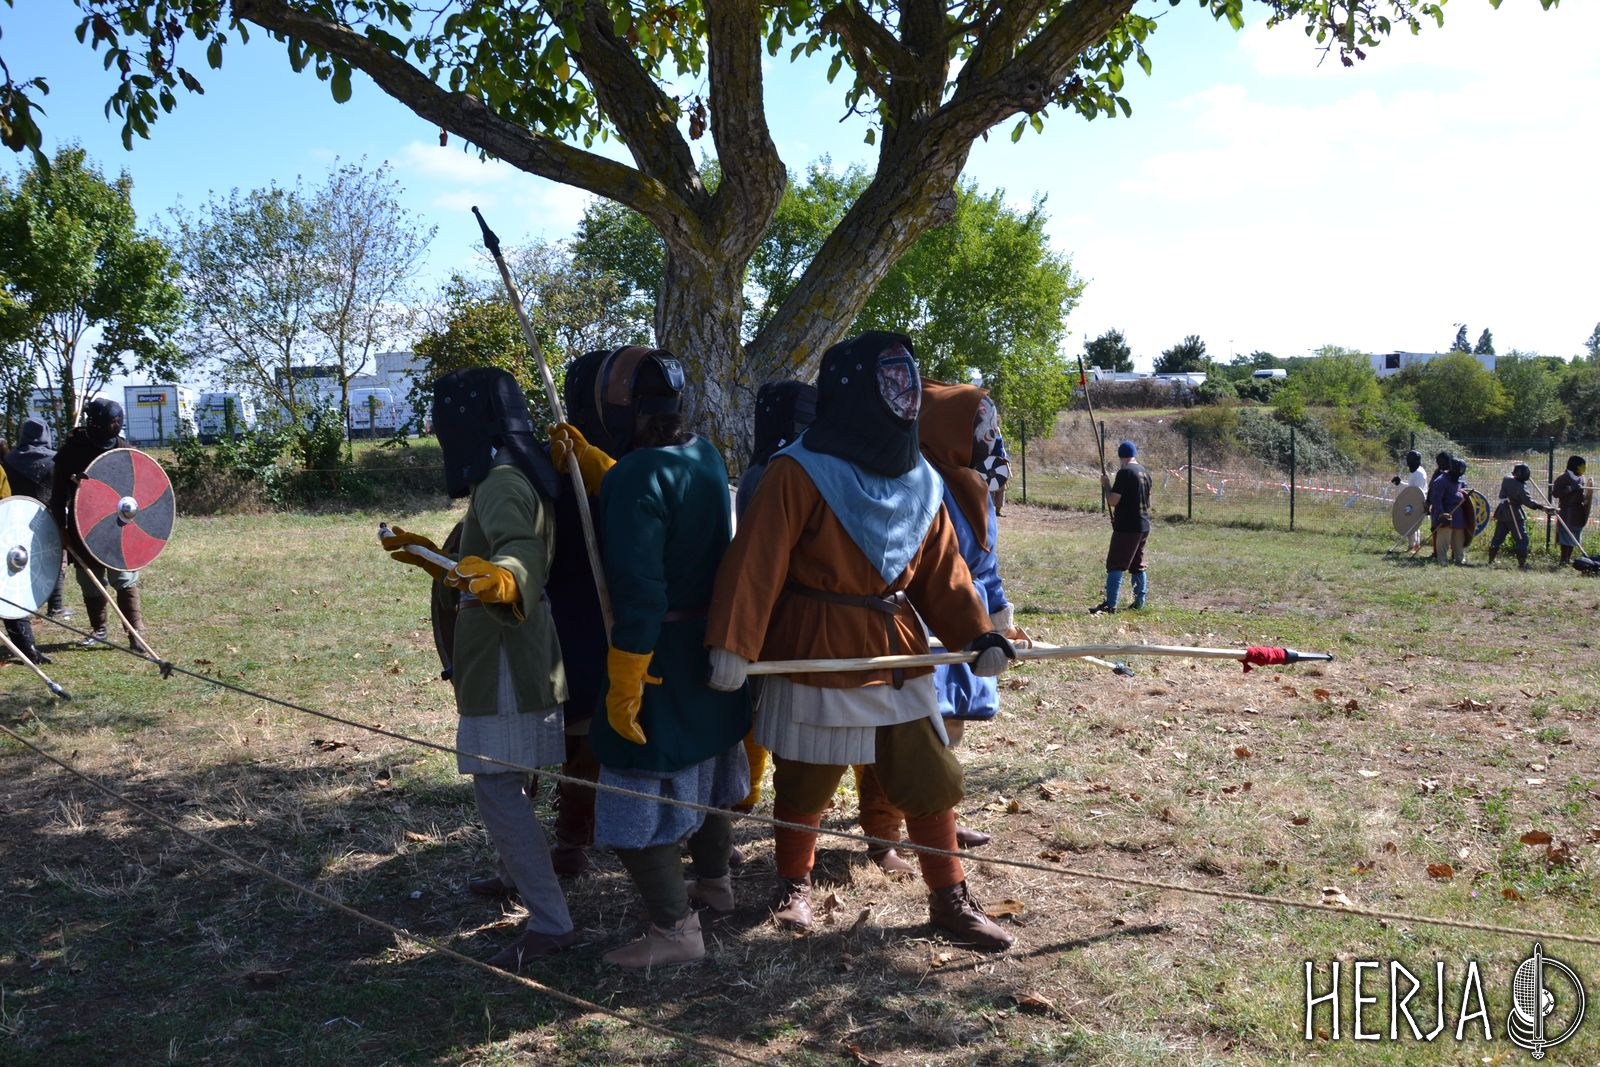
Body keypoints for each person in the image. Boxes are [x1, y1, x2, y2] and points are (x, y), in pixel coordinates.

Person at [706, 331, 1018, 952]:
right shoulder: (798, 471)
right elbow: (757, 563)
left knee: (929, 777)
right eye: (892, 382)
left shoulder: (922, 480)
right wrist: (734, 644)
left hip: (896, 646)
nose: (907, 397)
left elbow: (943, 571)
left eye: (909, 381)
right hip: (817, 644)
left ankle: (950, 897)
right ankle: (793, 885)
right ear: (856, 393)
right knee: (806, 779)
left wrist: (977, 631)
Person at [550, 346, 751, 969]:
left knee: (633, 796)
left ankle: (676, 929)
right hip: (708, 648)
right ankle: (715, 884)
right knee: (710, 765)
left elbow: (640, 593)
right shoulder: (705, 453)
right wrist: (600, 468)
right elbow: (665, 496)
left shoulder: (636, 475)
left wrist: (626, 675)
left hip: (657, 654)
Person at [381, 367, 577, 972]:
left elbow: (519, 553)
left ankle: (552, 921)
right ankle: (513, 875)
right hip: (503, 649)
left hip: (508, 654)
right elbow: (481, 564)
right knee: (511, 777)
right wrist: (431, 557)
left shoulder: (504, 481)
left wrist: (505, 577)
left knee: (497, 787)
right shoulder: (509, 474)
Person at [854, 379, 1025, 868]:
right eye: (981, 430)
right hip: (914, 623)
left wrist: (1000, 624)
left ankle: (939, 819)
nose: (991, 442)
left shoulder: (974, 487)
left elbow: (985, 567)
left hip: (963, 623)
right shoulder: (904, 481)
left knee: (949, 728)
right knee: (901, 734)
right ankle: (884, 835)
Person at [51, 399, 143, 648]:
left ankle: (135, 634)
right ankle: (99, 629)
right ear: (96, 423)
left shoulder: (123, 449)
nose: (115, 425)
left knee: (124, 578)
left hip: (117, 525)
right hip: (84, 525)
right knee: (90, 579)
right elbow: (57, 497)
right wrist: (62, 529)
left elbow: (138, 486)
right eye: (111, 421)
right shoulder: (72, 451)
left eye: (118, 420)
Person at [2, 417, 69, 617]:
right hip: (46, 517)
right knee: (55, 558)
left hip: (16, 519)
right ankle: (55, 606)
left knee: (17, 558)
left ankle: (20, 605)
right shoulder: (55, 460)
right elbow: (63, 492)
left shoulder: (9, 460)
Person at [1090, 440, 1152, 614]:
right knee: (1137, 564)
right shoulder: (1144, 472)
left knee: (1115, 565)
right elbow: (1147, 501)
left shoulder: (1125, 472)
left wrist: (1106, 484)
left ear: (1121, 456)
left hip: (1127, 528)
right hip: (1143, 525)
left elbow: (1112, 500)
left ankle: (1111, 605)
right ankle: (1139, 603)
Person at [1487, 463, 1549, 570]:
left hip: (1502, 511)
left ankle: (1490, 561)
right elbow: (1528, 502)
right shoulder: (1520, 486)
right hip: (1513, 513)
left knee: (1498, 538)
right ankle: (1522, 564)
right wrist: (1542, 507)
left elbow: (1510, 475)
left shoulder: (1506, 479)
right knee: (1522, 539)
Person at [1551, 455, 1591, 566]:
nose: (1583, 468)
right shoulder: (1563, 478)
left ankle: (1568, 559)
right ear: (1575, 466)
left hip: (1578, 513)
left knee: (1574, 537)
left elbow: (1584, 495)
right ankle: (1563, 560)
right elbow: (1555, 493)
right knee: (1565, 537)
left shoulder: (1581, 478)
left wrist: (1585, 498)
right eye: (1581, 466)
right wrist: (1570, 488)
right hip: (1566, 512)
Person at [1428, 456, 1469, 565]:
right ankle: (1442, 559)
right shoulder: (1441, 481)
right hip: (1445, 513)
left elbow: (1464, 492)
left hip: (1458, 514)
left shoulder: (1461, 479)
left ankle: (1459, 558)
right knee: (1444, 538)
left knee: (1459, 538)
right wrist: (1442, 514)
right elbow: (1436, 500)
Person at [1391, 449, 1429, 553]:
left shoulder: (1419, 474)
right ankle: (1413, 545)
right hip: (1413, 499)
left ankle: (1414, 546)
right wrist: (1400, 483)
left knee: (1411, 521)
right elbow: (1411, 488)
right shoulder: (1415, 472)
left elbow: (1415, 492)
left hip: (1417, 501)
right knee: (1410, 521)